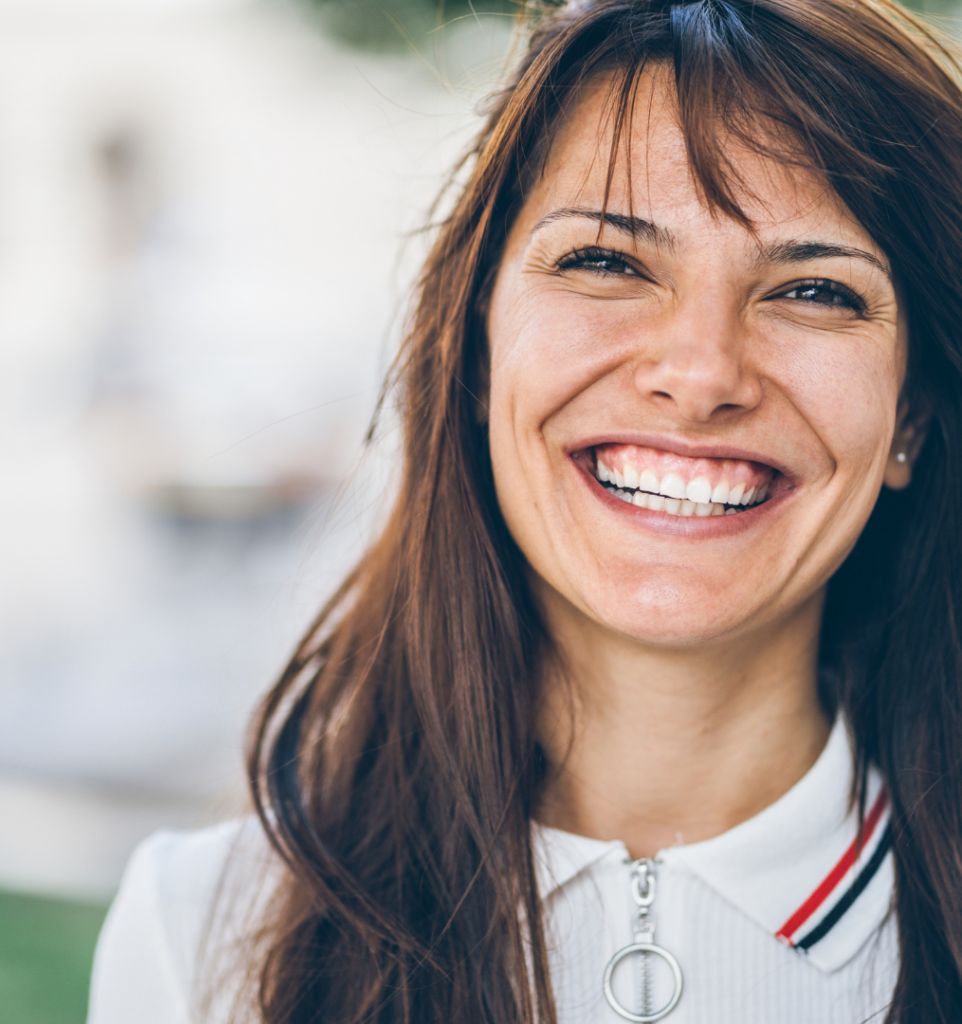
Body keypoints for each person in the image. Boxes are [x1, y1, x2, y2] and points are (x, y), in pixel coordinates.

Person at [86, 1, 962, 1021]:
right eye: (606, 263)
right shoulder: (199, 931)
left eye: (814, 291)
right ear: (473, 346)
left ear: (911, 415)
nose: (700, 371)